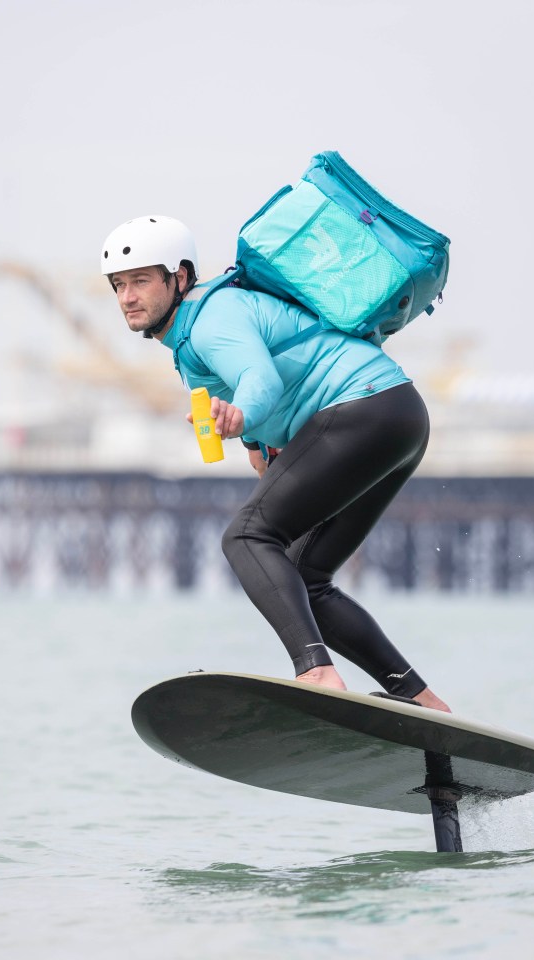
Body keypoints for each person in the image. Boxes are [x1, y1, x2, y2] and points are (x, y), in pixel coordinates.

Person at [101, 215, 450, 712]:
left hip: (361, 409)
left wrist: (242, 415)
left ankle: (317, 673)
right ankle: (420, 698)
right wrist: (258, 448)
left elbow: (258, 377)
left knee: (245, 537)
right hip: (398, 414)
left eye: (140, 281)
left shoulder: (210, 318)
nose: (128, 297)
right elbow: (284, 378)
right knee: (305, 574)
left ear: (179, 278)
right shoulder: (197, 329)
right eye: (118, 286)